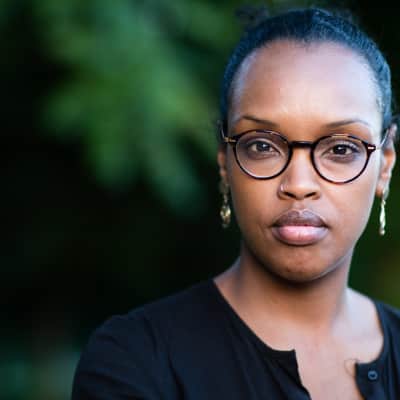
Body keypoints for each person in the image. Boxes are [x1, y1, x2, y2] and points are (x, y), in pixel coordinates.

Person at [71, 6, 400, 399]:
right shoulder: (135, 361)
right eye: (262, 146)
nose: (298, 184)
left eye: (341, 148)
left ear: (385, 164)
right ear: (225, 162)